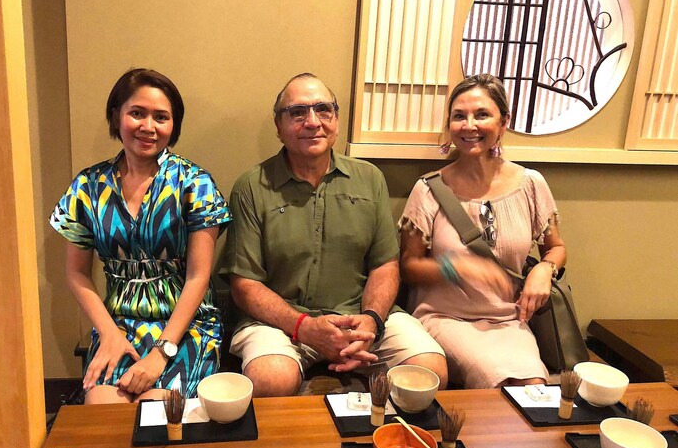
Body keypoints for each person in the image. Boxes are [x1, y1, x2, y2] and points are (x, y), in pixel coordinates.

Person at [220, 72, 447, 397]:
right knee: (271, 380)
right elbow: (244, 285)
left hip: (359, 315)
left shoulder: (370, 179)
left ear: (336, 119)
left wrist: (370, 320)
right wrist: (304, 327)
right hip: (280, 323)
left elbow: (385, 266)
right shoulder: (252, 187)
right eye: (297, 112)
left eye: (323, 110)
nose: (312, 122)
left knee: (429, 370)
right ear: (278, 126)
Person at [50, 68, 231, 403]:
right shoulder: (87, 186)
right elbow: (76, 274)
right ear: (116, 116)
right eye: (137, 113)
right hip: (118, 323)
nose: (148, 127)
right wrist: (108, 333)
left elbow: (198, 276)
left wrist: (161, 353)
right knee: (103, 408)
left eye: (161, 117)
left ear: (173, 126)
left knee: (160, 411)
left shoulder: (194, 183)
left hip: (186, 324)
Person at [399, 74, 567, 389]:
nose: (469, 125)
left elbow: (555, 247)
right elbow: (408, 267)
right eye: (459, 116)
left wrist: (545, 269)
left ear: (504, 123)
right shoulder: (429, 189)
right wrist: (456, 266)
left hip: (510, 320)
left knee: (534, 387)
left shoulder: (531, 183)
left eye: (482, 115)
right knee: (499, 381)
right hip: (444, 318)